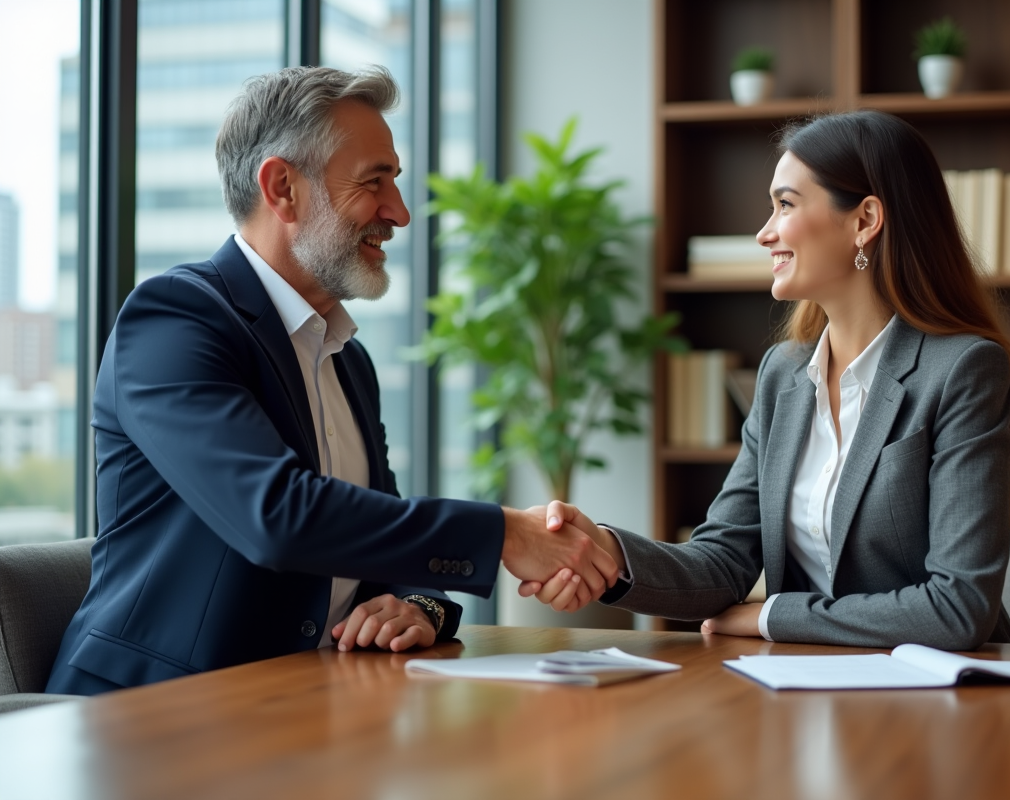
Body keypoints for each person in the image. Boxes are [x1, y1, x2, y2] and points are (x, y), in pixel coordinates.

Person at [47, 66, 616, 696]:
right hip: (146, 719)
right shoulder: (177, 319)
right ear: (283, 186)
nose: (398, 213)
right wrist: (505, 532)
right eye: (374, 182)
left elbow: (379, 532)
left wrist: (418, 608)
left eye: (394, 182)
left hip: (304, 705)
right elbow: (276, 515)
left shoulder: (346, 357)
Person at [521, 110, 1010, 650]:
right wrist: (602, 551)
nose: (765, 234)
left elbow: (958, 609)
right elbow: (722, 562)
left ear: (865, 221)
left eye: (785, 205)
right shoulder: (783, 374)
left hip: (949, 701)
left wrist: (773, 616)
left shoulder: (962, 370)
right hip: (811, 691)